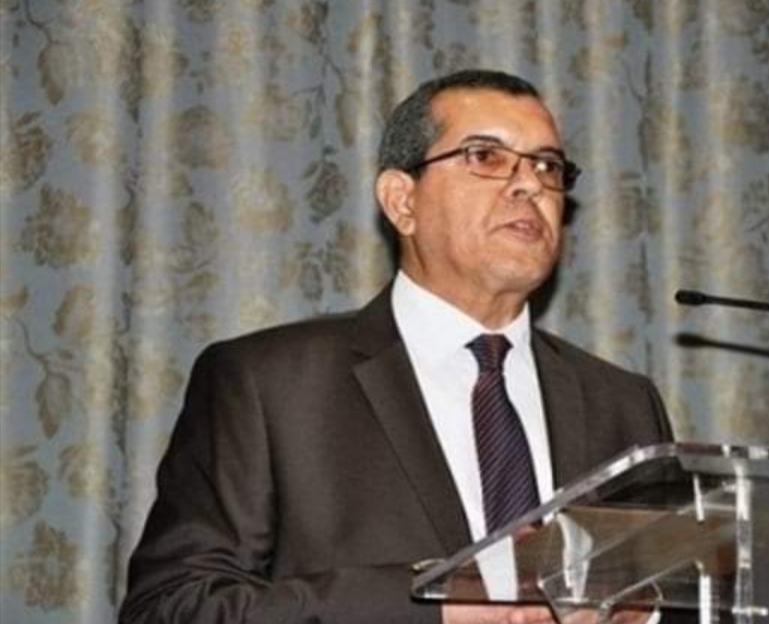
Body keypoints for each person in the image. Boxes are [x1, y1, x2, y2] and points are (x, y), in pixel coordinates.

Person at [120, 69, 673, 623]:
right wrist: (433, 606)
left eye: (547, 165)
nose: (529, 184)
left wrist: (641, 615)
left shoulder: (622, 404)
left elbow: (680, 593)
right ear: (401, 201)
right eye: (486, 157)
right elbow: (171, 608)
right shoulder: (270, 385)